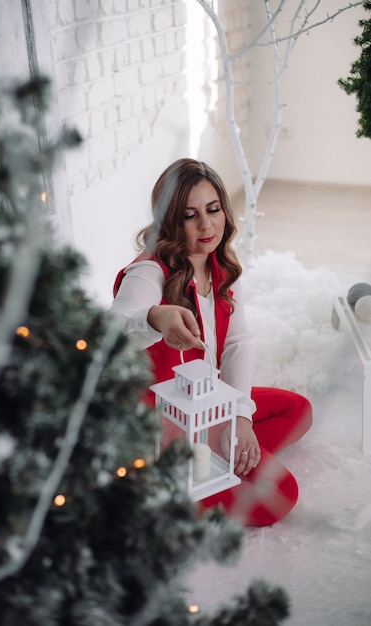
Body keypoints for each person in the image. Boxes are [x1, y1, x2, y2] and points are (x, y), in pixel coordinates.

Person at [111, 158, 312, 526]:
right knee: (282, 496)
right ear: (170, 220)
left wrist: (238, 419)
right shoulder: (149, 271)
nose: (206, 225)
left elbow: (237, 342)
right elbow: (113, 329)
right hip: (163, 418)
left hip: (209, 403)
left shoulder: (219, 266)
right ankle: (163, 488)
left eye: (213, 209)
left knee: (298, 409)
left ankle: (218, 457)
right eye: (190, 215)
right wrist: (156, 316)